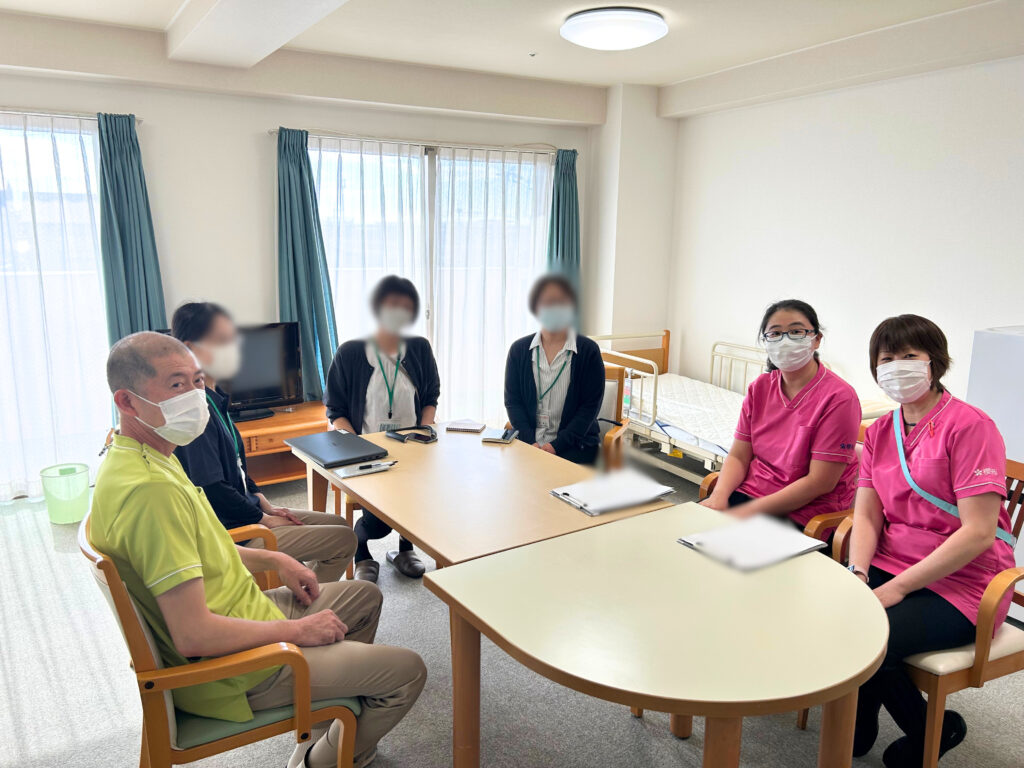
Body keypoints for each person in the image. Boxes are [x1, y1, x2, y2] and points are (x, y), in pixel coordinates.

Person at [90, 332, 426, 768]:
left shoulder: (145, 454)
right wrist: (297, 633)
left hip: (245, 611)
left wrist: (273, 558)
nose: (195, 396)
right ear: (127, 401)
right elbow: (193, 635)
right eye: (176, 385)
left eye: (196, 381)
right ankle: (323, 760)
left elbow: (204, 547)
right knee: (408, 672)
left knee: (365, 597)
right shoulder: (150, 493)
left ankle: (330, 728)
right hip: (235, 668)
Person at [848, 315, 1015, 767]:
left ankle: (934, 731)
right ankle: (859, 727)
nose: (897, 366)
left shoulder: (971, 426)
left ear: (935, 363)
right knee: (832, 608)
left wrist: (897, 587)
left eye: (910, 356)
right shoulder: (882, 431)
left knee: (870, 638)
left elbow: (979, 532)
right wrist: (859, 572)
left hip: (964, 581)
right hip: (891, 562)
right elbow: (866, 513)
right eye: (887, 358)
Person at [170, 302, 356, 583]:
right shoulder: (196, 414)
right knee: (343, 540)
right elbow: (212, 488)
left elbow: (237, 469)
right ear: (191, 348)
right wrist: (261, 518)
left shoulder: (215, 398)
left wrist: (262, 500)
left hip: (248, 512)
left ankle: (302, 595)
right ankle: (304, 608)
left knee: (339, 524)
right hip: (236, 533)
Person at [701, 299, 861, 529]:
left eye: (796, 331)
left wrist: (747, 512)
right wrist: (718, 496)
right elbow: (738, 455)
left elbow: (820, 482)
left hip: (803, 513)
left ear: (816, 339)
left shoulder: (839, 398)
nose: (785, 341)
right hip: (750, 493)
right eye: (775, 333)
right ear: (766, 342)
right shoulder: (761, 387)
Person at [324, 276, 440, 583]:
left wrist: (425, 430)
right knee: (379, 521)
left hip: (412, 448)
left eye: (405, 306)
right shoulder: (350, 352)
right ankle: (360, 549)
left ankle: (404, 549)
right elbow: (334, 409)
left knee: (419, 502)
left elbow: (430, 397)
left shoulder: (418, 348)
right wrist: (355, 445)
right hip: (365, 452)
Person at [504, 273, 605, 465]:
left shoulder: (588, 352)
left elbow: (589, 408)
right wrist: (530, 442)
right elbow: (513, 402)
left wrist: (555, 446)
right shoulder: (518, 351)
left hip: (575, 446)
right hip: (528, 443)